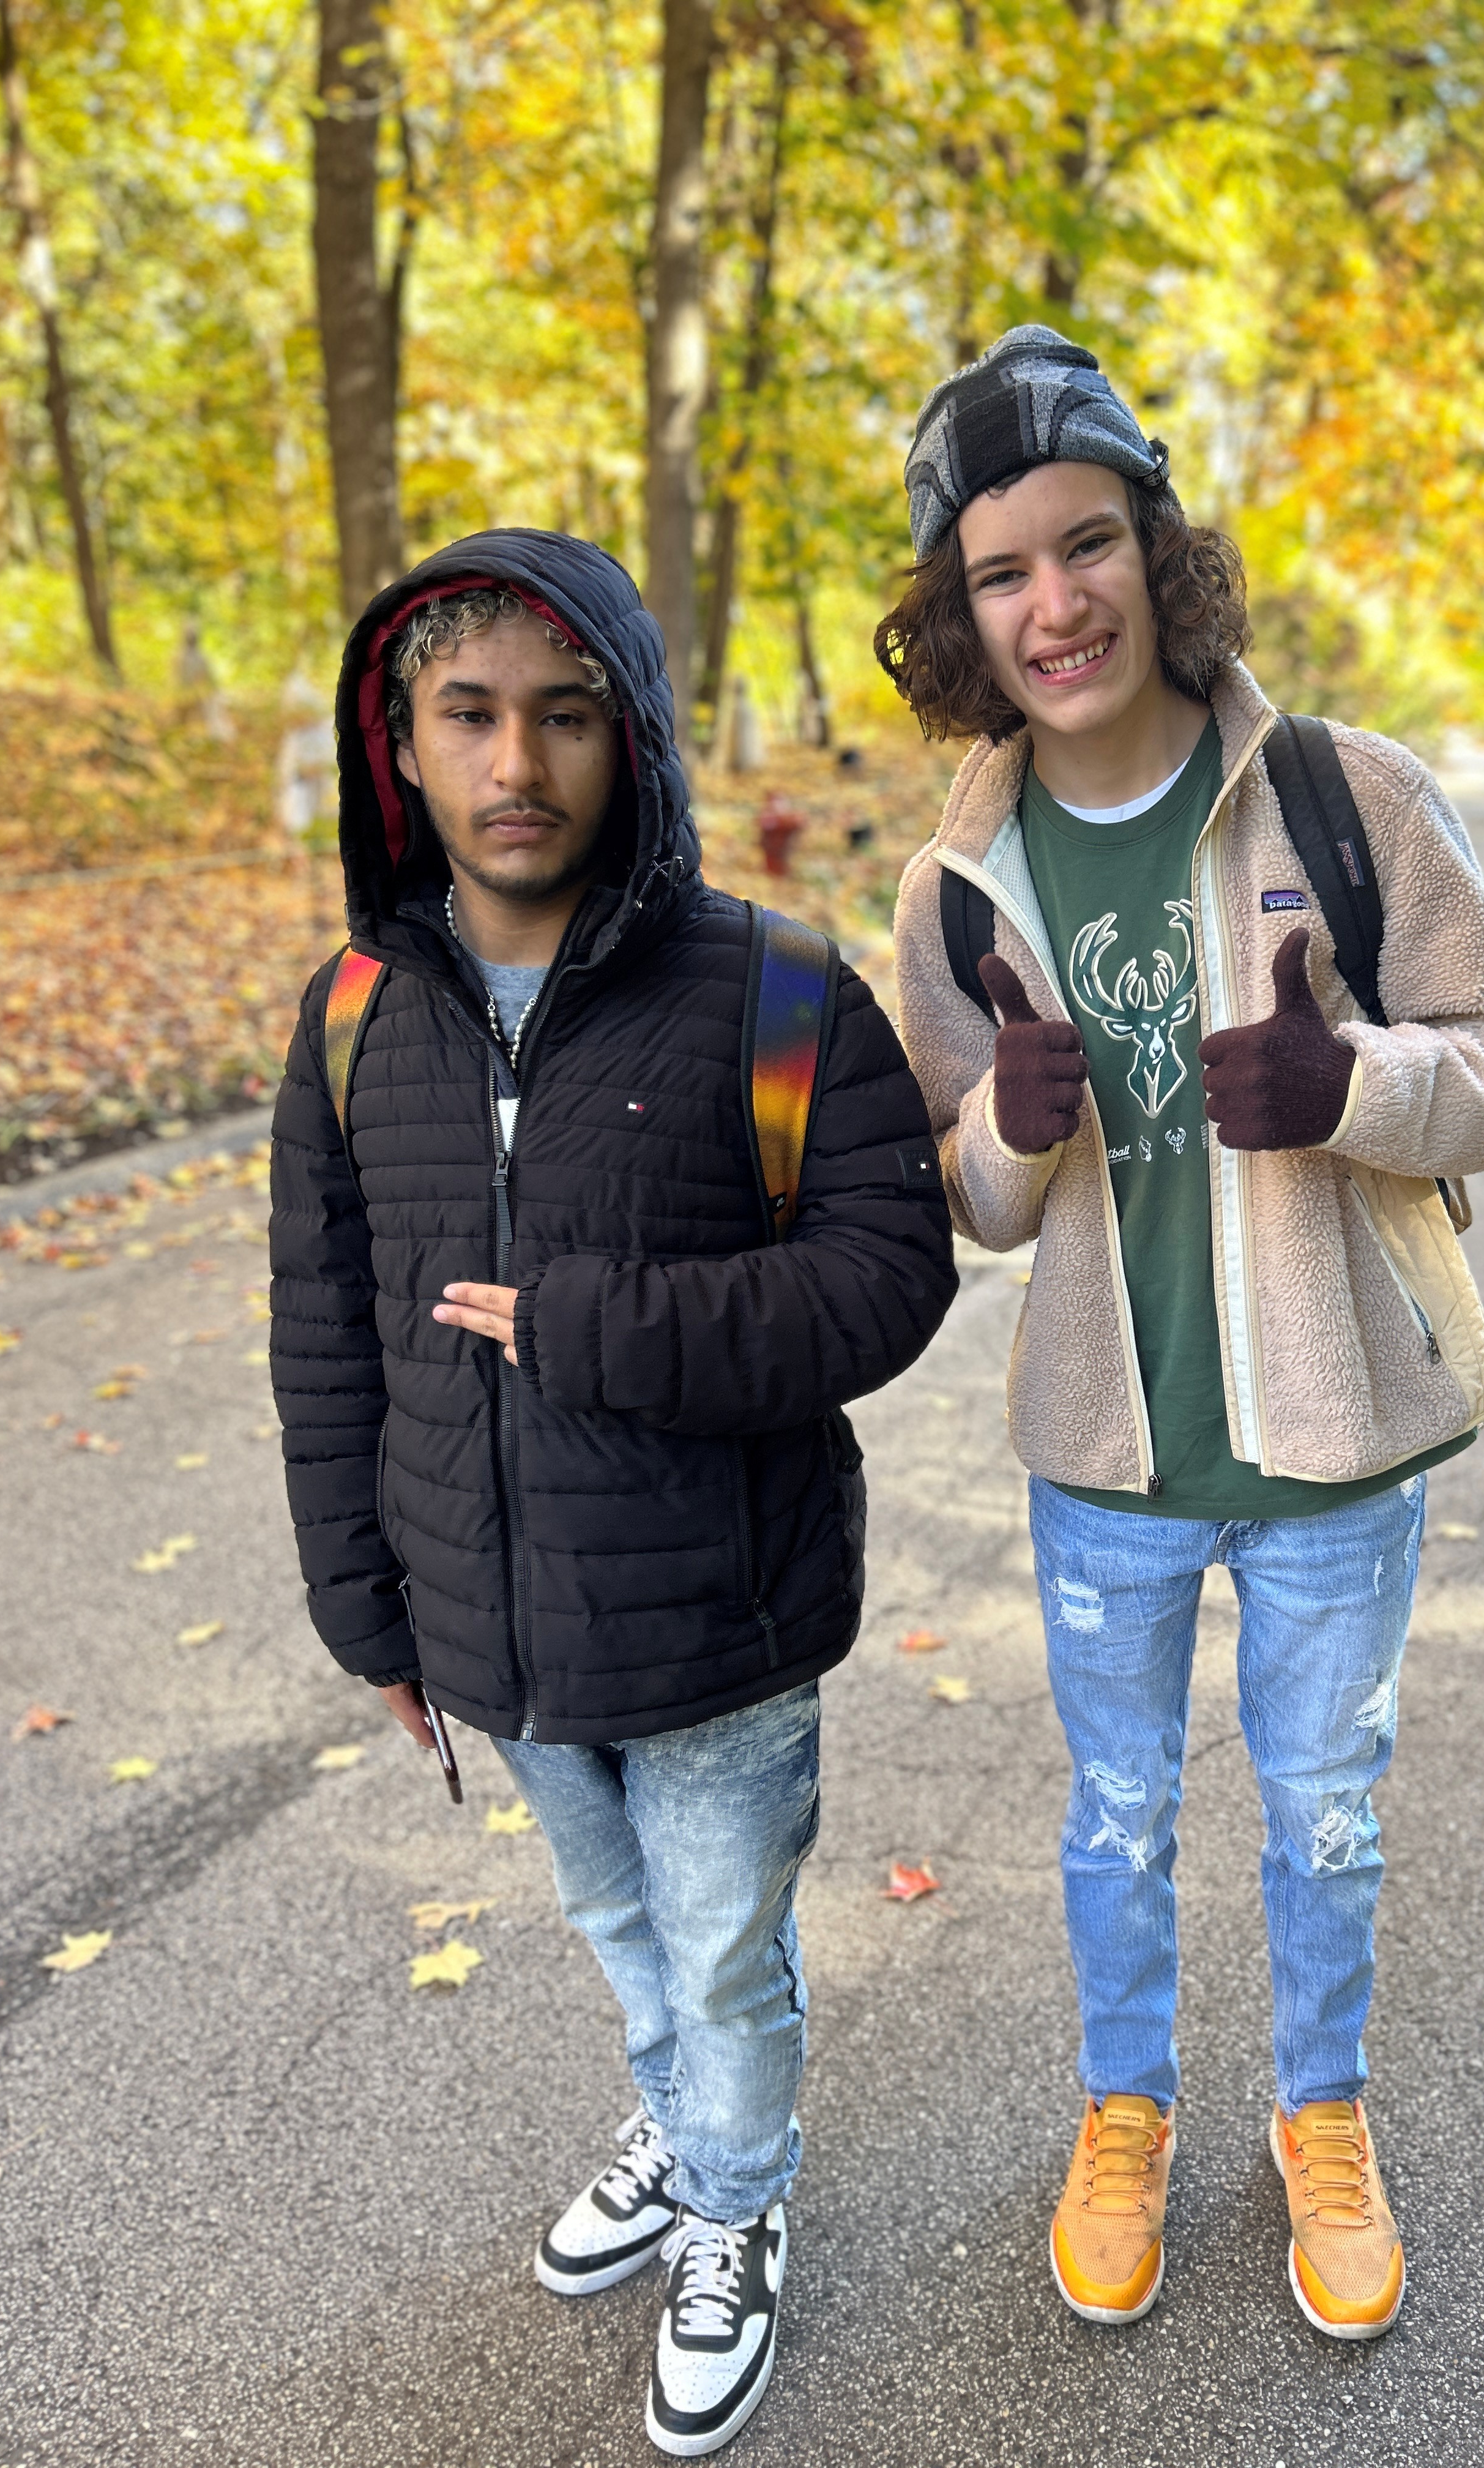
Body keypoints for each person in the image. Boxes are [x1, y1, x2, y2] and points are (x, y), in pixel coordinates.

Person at [882, 327, 1484, 2341]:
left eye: (1085, 544)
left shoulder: (1346, 796)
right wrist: (1005, 1131)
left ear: (1156, 550)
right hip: (1107, 1457)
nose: (1053, 603)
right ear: (961, 616)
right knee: (1114, 1820)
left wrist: (1353, 1084)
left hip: (1338, 1449)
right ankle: (1126, 2108)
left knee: (1325, 1811)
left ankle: (1320, 2111)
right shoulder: (957, 881)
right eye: (1001, 573)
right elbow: (961, 1188)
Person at [270, 530, 956, 2456]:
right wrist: (366, 1612)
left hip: (723, 1618)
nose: (517, 765)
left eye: (566, 715)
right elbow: (323, 1333)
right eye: (469, 715)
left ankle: (737, 2205)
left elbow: (887, 1275)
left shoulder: (782, 988)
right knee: (622, 1931)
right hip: (494, 1625)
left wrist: (597, 1326)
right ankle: (688, 2125)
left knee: (723, 1949)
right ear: (401, 743)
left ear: (632, 733)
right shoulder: (351, 1012)